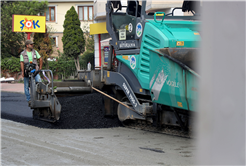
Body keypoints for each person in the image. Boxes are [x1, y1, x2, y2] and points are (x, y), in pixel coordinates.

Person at [20, 40, 43, 105]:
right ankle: (29, 99)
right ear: (27, 45)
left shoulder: (35, 52)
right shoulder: (22, 53)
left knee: (39, 83)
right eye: (31, 44)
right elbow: (21, 63)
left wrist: (40, 69)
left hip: (35, 70)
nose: (32, 45)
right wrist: (22, 72)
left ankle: (40, 97)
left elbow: (40, 59)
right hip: (26, 71)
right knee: (26, 86)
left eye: (32, 44)